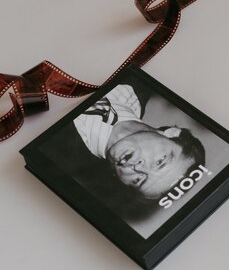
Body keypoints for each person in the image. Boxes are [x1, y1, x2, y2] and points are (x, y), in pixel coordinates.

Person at [72, 82, 206, 203]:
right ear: (172, 134)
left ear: (120, 180)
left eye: (138, 180)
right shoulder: (144, 79)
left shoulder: (59, 155)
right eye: (159, 162)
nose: (138, 168)